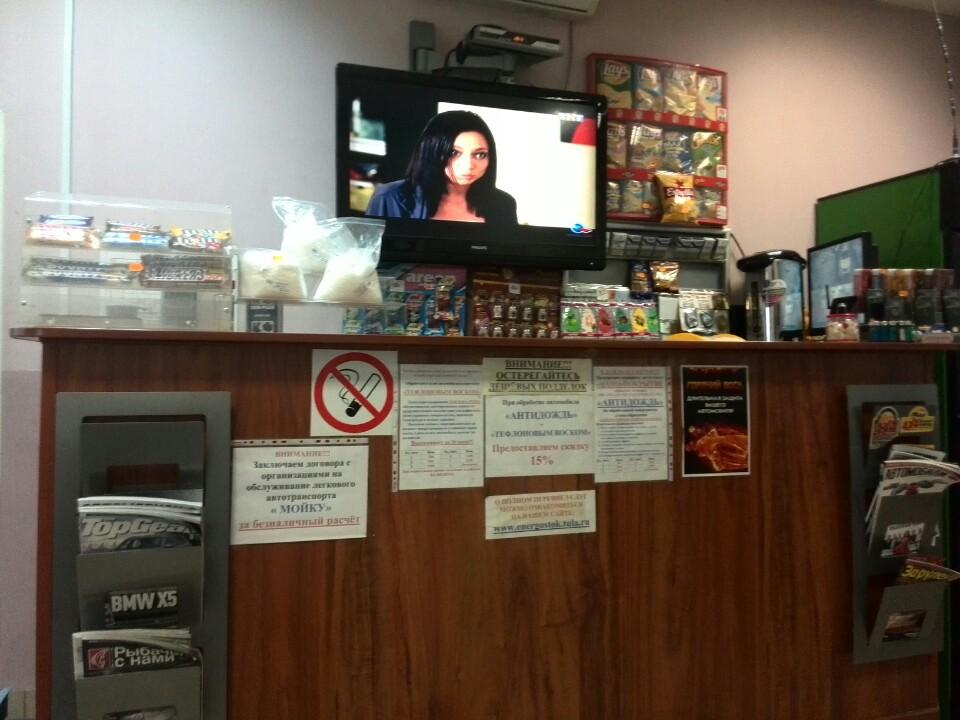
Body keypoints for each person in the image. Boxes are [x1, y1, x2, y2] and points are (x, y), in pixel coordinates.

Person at [366, 110, 518, 225]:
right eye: (454, 153)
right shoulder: (388, 198)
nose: (469, 165)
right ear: (432, 151)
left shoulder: (504, 204)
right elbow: (370, 253)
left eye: (479, 154)